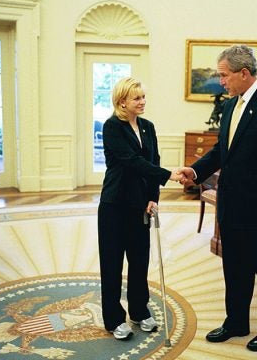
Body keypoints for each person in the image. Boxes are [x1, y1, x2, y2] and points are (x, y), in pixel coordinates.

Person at [179, 45, 257, 352]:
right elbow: (223, 152)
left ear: (244, 73)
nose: (221, 81)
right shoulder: (232, 105)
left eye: (224, 75)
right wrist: (195, 172)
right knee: (235, 268)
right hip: (231, 206)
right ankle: (236, 322)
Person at [98, 76, 182, 340]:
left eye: (143, 97)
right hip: (115, 205)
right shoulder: (112, 127)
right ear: (122, 101)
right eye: (137, 98)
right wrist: (168, 174)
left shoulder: (148, 126)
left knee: (139, 261)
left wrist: (153, 197)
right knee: (112, 264)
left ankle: (139, 311)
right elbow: (132, 161)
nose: (143, 101)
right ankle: (113, 319)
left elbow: (152, 160)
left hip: (140, 205)